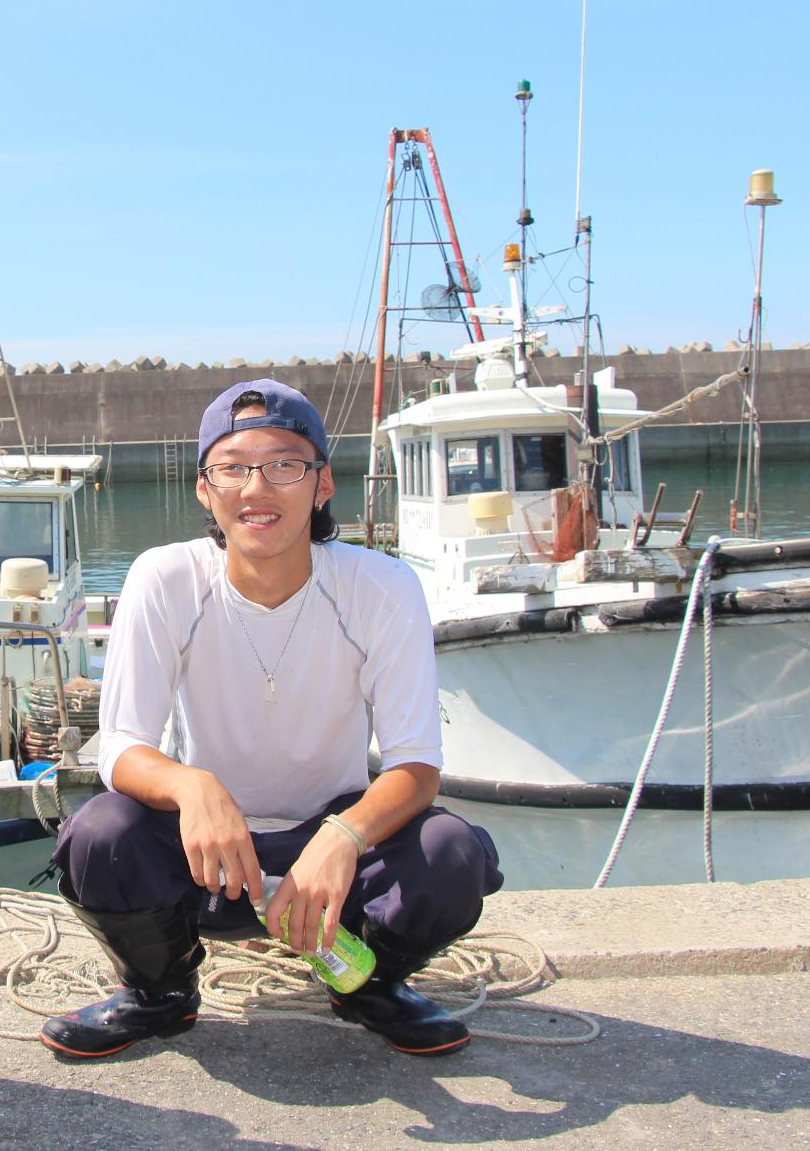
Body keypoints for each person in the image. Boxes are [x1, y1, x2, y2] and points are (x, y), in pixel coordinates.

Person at [42, 378, 502, 1062]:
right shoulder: (164, 579)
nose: (257, 487)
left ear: (321, 485)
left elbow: (415, 765)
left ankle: (369, 981)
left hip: (333, 852)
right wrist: (194, 788)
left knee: (450, 855)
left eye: (285, 464)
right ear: (205, 488)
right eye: (233, 466)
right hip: (208, 858)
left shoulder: (381, 586)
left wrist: (344, 833)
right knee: (98, 836)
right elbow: (124, 747)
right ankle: (161, 990)